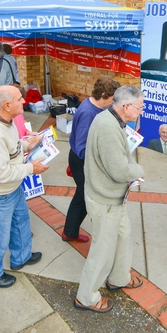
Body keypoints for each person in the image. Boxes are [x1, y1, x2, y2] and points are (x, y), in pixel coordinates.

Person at [75, 85, 146, 314]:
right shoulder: (107, 126)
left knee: (123, 236)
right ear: (126, 106)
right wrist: (138, 169)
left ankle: (118, 278)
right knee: (102, 250)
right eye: (139, 108)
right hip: (105, 199)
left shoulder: (111, 118)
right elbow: (119, 170)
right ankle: (86, 297)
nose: (141, 112)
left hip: (114, 197)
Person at [0, 85, 49, 288]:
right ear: (7, 105)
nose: (24, 101)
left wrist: (28, 146)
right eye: (19, 99)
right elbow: (0, 174)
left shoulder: (7, 120)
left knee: (20, 223)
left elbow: (13, 144)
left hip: (11, 190)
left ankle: (20, 257)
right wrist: (31, 168)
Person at [62, 76, 120, 243]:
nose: (111, 103)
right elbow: (81, 148)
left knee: (81, 196)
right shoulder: (89, 113)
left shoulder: (91, 104)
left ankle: (70, 231)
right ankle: (70, 232)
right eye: (110, 100)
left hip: (79, 159)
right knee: (86, 196)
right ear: (103, 94)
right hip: (82, 161)